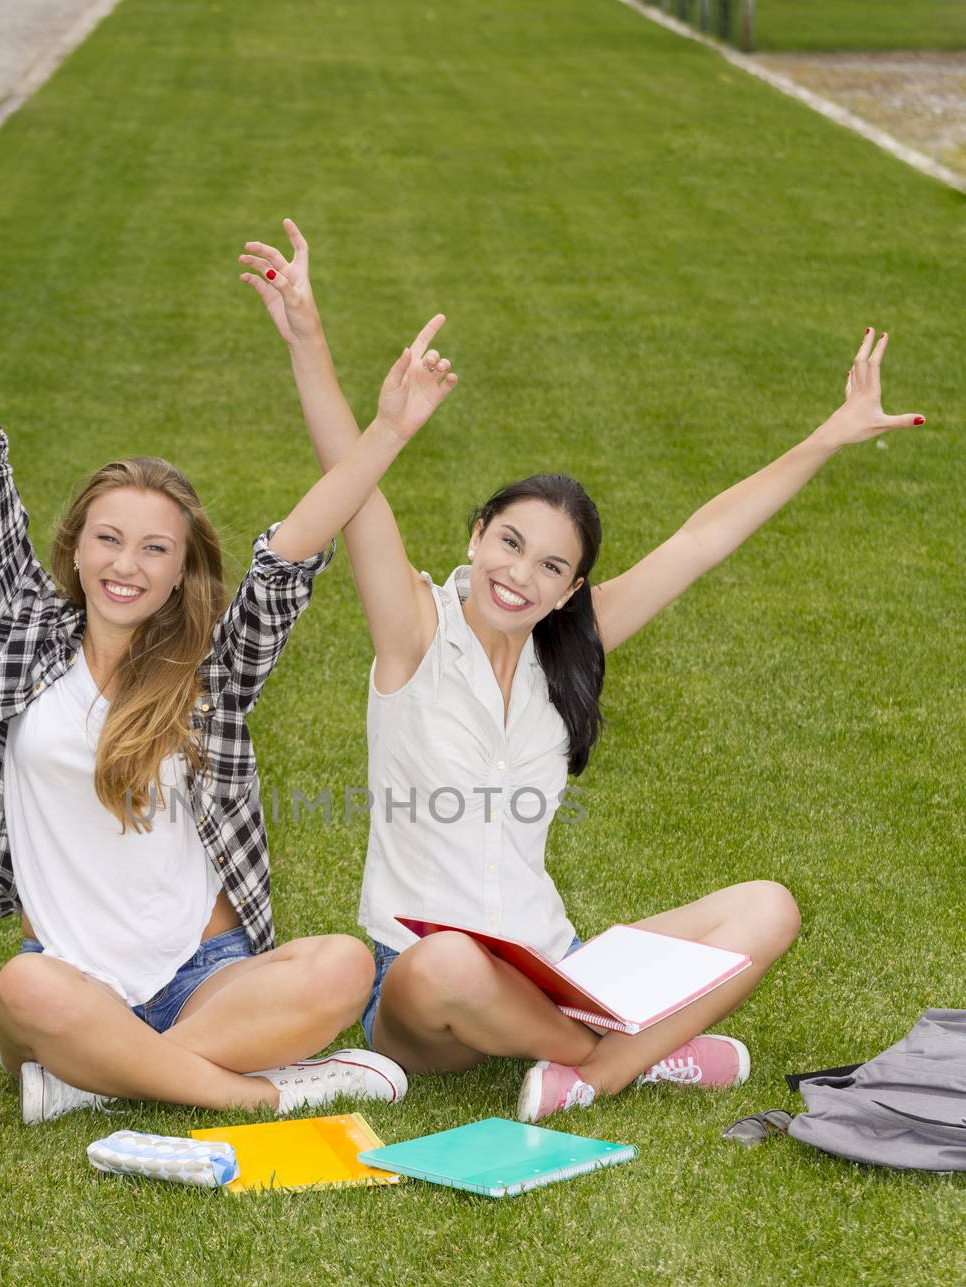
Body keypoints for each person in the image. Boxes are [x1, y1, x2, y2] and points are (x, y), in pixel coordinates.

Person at [239, 220, 925, 1119]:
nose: (519, 575)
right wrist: (308, 342)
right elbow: (352, 485)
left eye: (550, 566)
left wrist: (826, 438)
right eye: (510, 543)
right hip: (419, 993)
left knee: (767, 906)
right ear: (476, 535)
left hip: (557, 969)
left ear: (569, 591)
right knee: (446, 958)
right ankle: (629, 1050)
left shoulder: (571, 648)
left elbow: (700, 540)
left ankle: (590, 1075)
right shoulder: (412, 629)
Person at [0, 178, 458, 1124]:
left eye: (154, 549)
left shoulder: (211, 670)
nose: (125, 566)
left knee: (340, 964)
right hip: (71, 984)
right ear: (74, 546)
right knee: (24, 995)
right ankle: (249, 1092)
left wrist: (388, 428)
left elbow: (294, 551)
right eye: (107, 539)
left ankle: (97, 1078)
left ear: (183, 571)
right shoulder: (28, 631)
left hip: (206, 978)